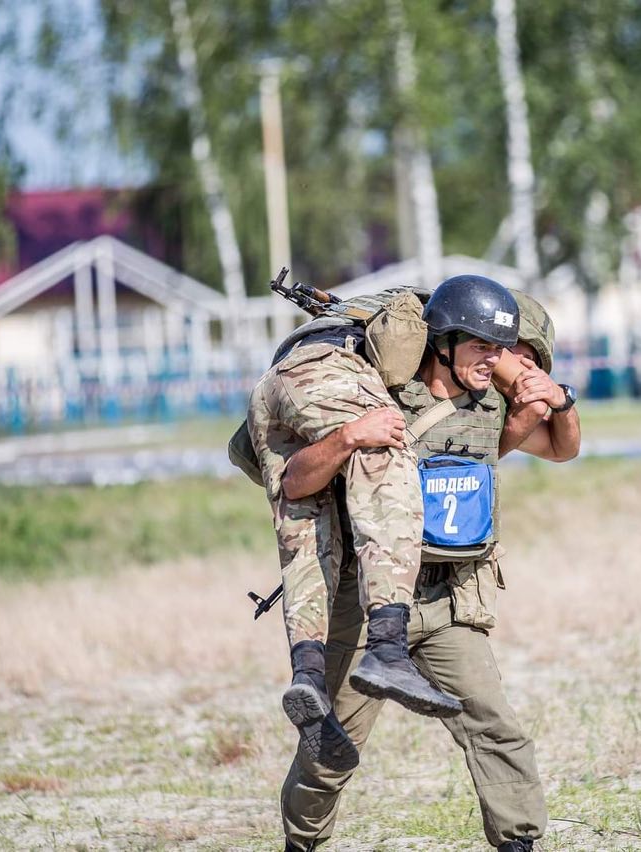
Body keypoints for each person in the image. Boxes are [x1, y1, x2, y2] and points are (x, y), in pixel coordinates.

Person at [276, 275, 581, 852]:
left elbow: (563, 446)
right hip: (365, 605)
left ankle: (520, 842)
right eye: (484, 348)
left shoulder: (489, 408)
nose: (498, 362)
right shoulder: (371, 399)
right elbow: (294, 483)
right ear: (442, 343)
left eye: (504, 350)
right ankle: (302, 844)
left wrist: (558, 397)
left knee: (496, 728)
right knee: (330, 750)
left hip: (444, 603)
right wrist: (347, 438)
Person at [245, 290, 464, 775]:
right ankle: (387, 646)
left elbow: (284, 481)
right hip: (329, 369)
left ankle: (308, 676)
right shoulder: (415, 306)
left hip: (269, 389)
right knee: (386, 446)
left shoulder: (337, 317)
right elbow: (396, 352)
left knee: (305, 523)